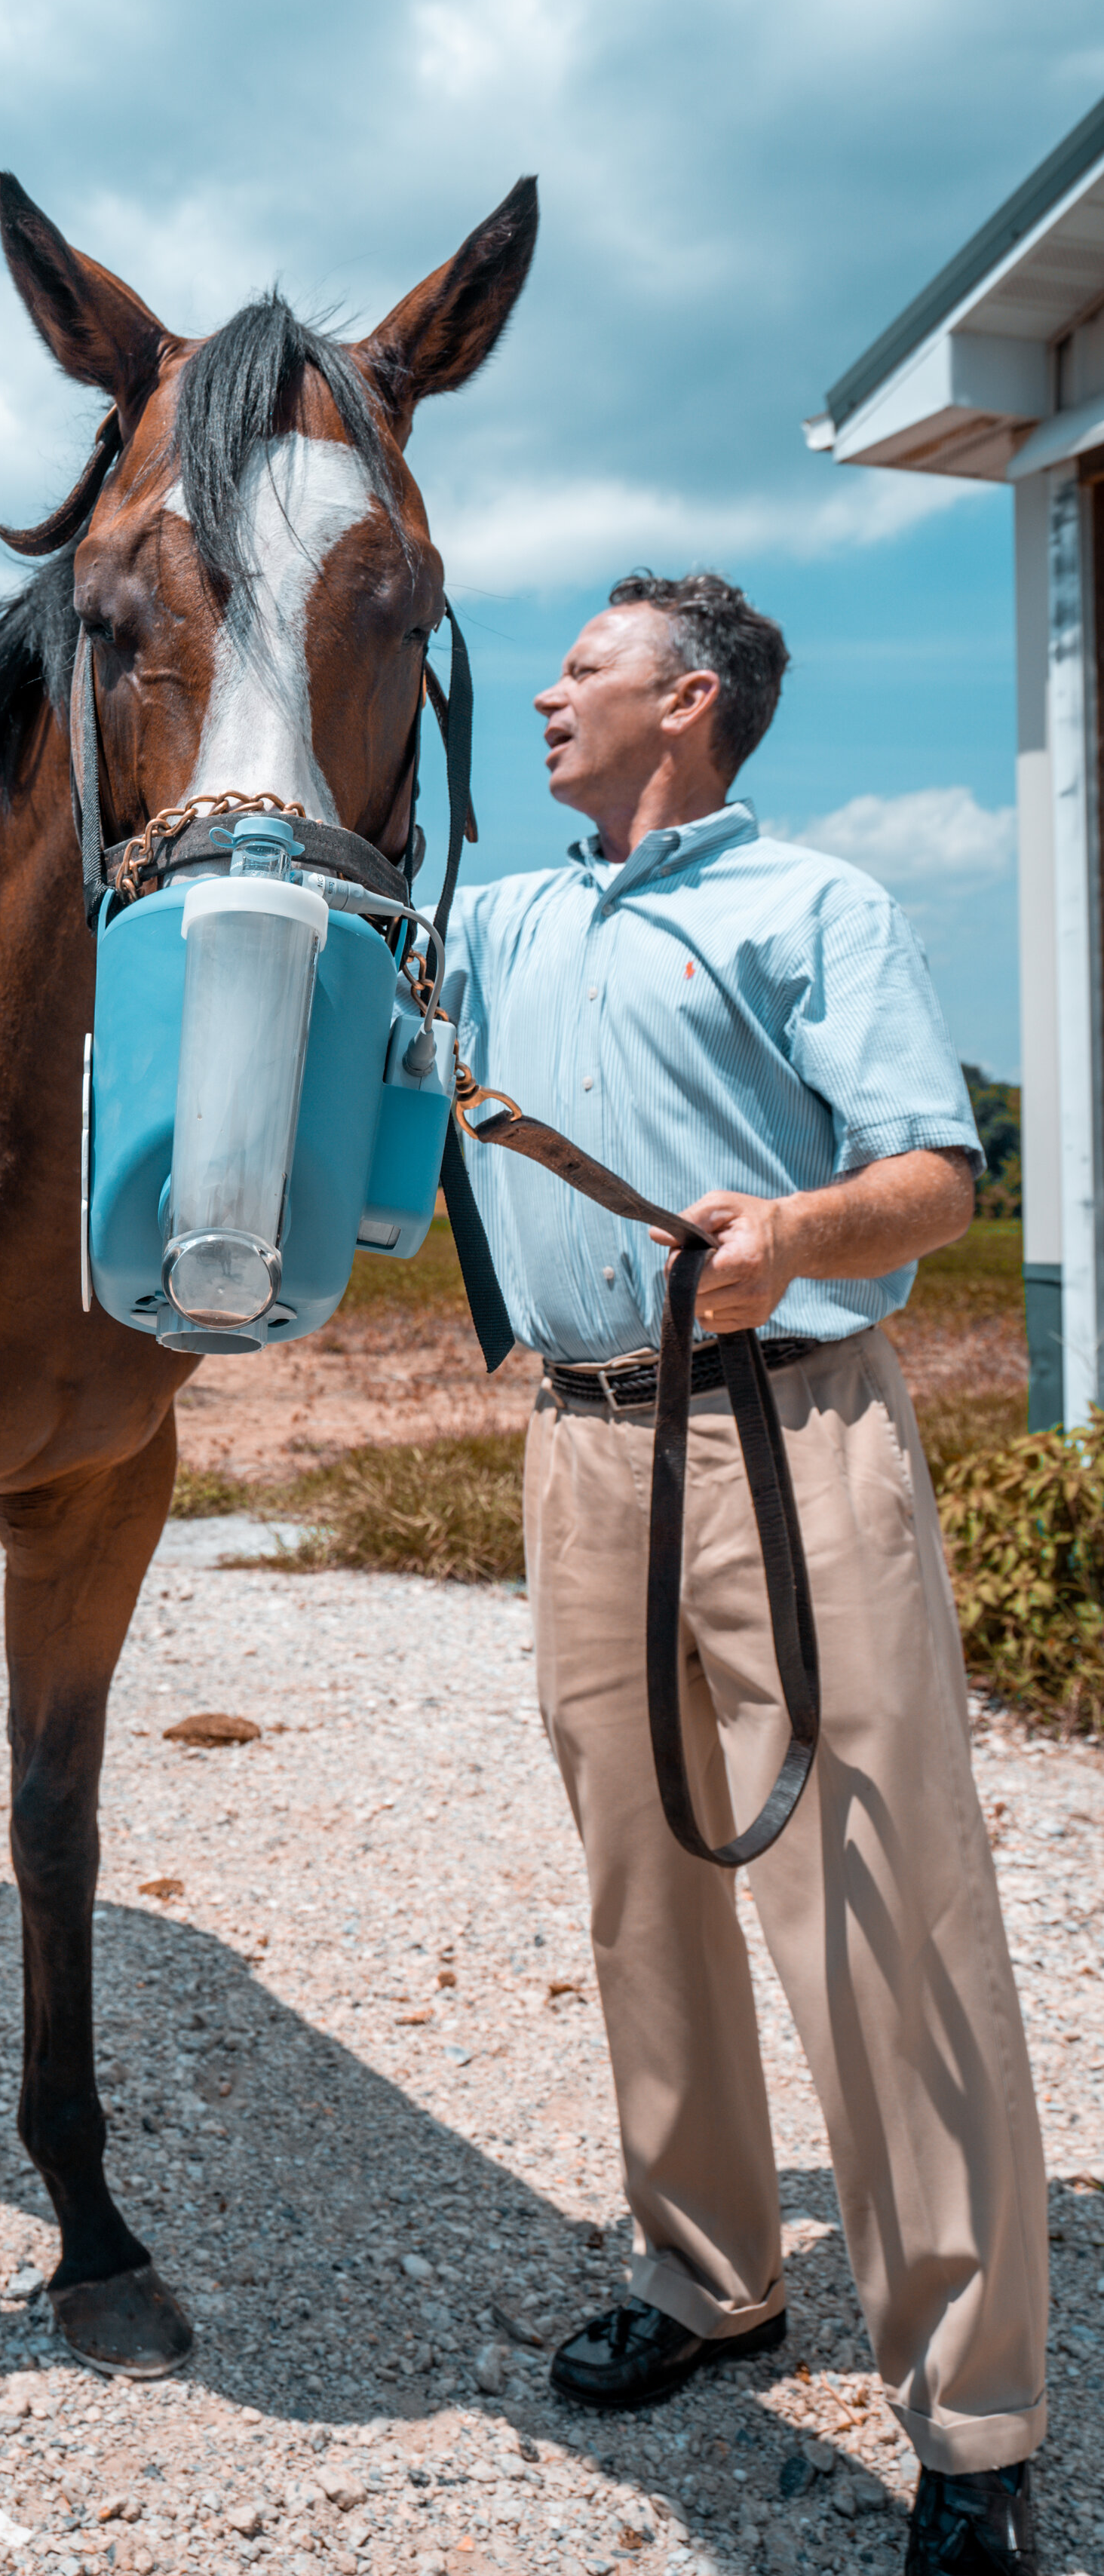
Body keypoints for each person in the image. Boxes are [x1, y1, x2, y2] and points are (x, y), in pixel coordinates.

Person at [439, 572, 1046, 2576]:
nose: (545, 689)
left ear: (684, 704)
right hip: (583, 1444)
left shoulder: (815, 907)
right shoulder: (502, 923)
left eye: (586, 664)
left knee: (878, 1912)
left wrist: (794, 1229)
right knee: (643, 1892)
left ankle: (971, 2421)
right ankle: (708, 2278)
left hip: (789, 1438)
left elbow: (932, 1179)